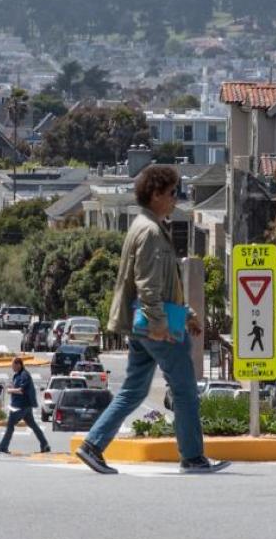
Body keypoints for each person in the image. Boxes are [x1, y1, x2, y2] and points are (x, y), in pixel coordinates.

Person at [76, 165, 231, 475]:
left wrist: (184, 314)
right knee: (185, 390)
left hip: (144, 324)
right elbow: (148, 285)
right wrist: (161, 327)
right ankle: (193, 456)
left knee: (133, 390)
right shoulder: (149, 232)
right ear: (156, 194)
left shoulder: (145, 226)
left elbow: (160, 283)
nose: (176, 199)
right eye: (173, 193)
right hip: (155, 327)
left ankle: (93, 445)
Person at [0, 357, 51, 454]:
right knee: (33, 425)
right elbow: (16, 387)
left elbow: (21, 390)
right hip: (22, 406)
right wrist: (11, 387)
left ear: (18, 365)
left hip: (21, 406)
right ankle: (45, 444)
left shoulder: (24, 375)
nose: (12, 367)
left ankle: (3, 446)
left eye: (13, 365)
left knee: (10, 424)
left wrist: (10, 390)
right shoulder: (17, 375)